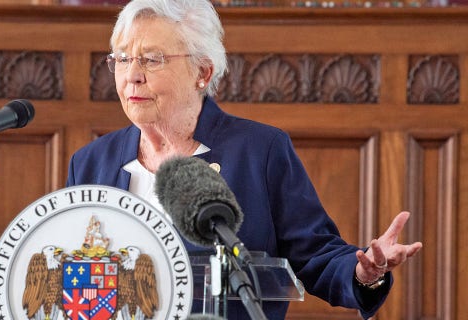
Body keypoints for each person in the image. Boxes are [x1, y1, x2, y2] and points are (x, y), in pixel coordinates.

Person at [66, 0, 422, 319]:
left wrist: (364, 274)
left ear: (202, 73)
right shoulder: (90, 163)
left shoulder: (260, 151)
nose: (132, 75)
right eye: (123, 58)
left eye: (151, 59)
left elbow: (317, 255)